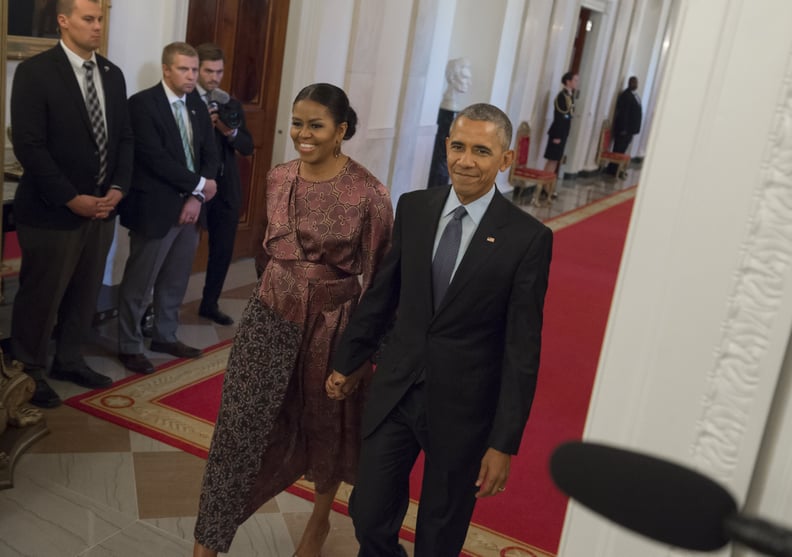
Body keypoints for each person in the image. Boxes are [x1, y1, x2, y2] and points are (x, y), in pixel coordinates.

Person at [327, 103, 553, 557]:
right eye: (458, 146)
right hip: (397, 388)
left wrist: (503, 443)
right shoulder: (415, 207)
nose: (465, 160)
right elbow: (382, 295)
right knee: (368, 511)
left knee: (439, 531)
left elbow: (521, 348)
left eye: (482, 151)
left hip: (464, 408)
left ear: (505, 159)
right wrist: (348, 360)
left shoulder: (528, 238)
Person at [193, 83, 393, 557]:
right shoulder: (279, 177)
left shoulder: (370, 194)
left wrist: (361, 357)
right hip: (270, 315)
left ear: (341, 130)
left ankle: (319, 522)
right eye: (298, 123)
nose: (303, 134)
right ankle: (207, 541)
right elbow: (268, 250)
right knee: (236, 428)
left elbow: (381, 278)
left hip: (333, 322)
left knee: (326, 424)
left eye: (316, 125)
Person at [9, 0, 134, 408]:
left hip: (102, 208)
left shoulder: (112, 75)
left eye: (100, 19)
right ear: (63, 22)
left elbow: (125, 139)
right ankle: (27, 370)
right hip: (51, 210)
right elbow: (29, 145)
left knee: (85, 290)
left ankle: (69, 359)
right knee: (42, 295)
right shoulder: (35, 72)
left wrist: (117, 188)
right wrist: (69, 197)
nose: (97, 27)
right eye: (88, 19)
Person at [116, 42, 218, 375]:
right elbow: (155, 159)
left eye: (194, 69)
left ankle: (164, 335)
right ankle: (129, 345)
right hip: (155, 208)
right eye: (184, 69)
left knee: (174, 279)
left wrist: (196, 198)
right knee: (138, 282)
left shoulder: (197, 106)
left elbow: (210, 154)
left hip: (190, 209)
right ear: (166, 70)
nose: (191, 76)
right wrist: (201, 186)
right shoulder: (142, 105)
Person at [194, 43, 254, 326]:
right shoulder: (187, 101)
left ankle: (210, 303)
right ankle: (155, 312)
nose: (214, 77)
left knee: (222, 249)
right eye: (208, 71)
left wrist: (229, 131)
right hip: (193, 185)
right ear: (197, 69)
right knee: (179, 252)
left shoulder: (230, 102)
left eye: (219, 71)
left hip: (226, 186)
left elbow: (247, 146)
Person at [427, 57, 473, 188]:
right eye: (465, 78)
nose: (469, 83)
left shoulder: (456, 109)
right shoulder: (447, 106)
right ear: (452, 78)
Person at [543, 71, 579, 176]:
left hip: (563, 132)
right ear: (568, 82)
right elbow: (560, 117)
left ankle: (547, 188)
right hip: (557, 133)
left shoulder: (570, 96)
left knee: (556, 160)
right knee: (552, 159)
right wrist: (558, 135)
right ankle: (543, 187)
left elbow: (569, 114)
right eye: (575, 80)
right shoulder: (562, 96)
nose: (577, 83)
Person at [607, 75, 642, 177]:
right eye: (633, 82)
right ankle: (612, 170)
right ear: (629, 83)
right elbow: (623, 113)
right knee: (618, 149)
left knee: (623, 150)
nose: (635, 85)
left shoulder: (634, 95)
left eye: (636, 83)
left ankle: (617, 169)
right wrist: (623, 128)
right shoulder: (626, 95)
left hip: (630, 130)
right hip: (624, 130)